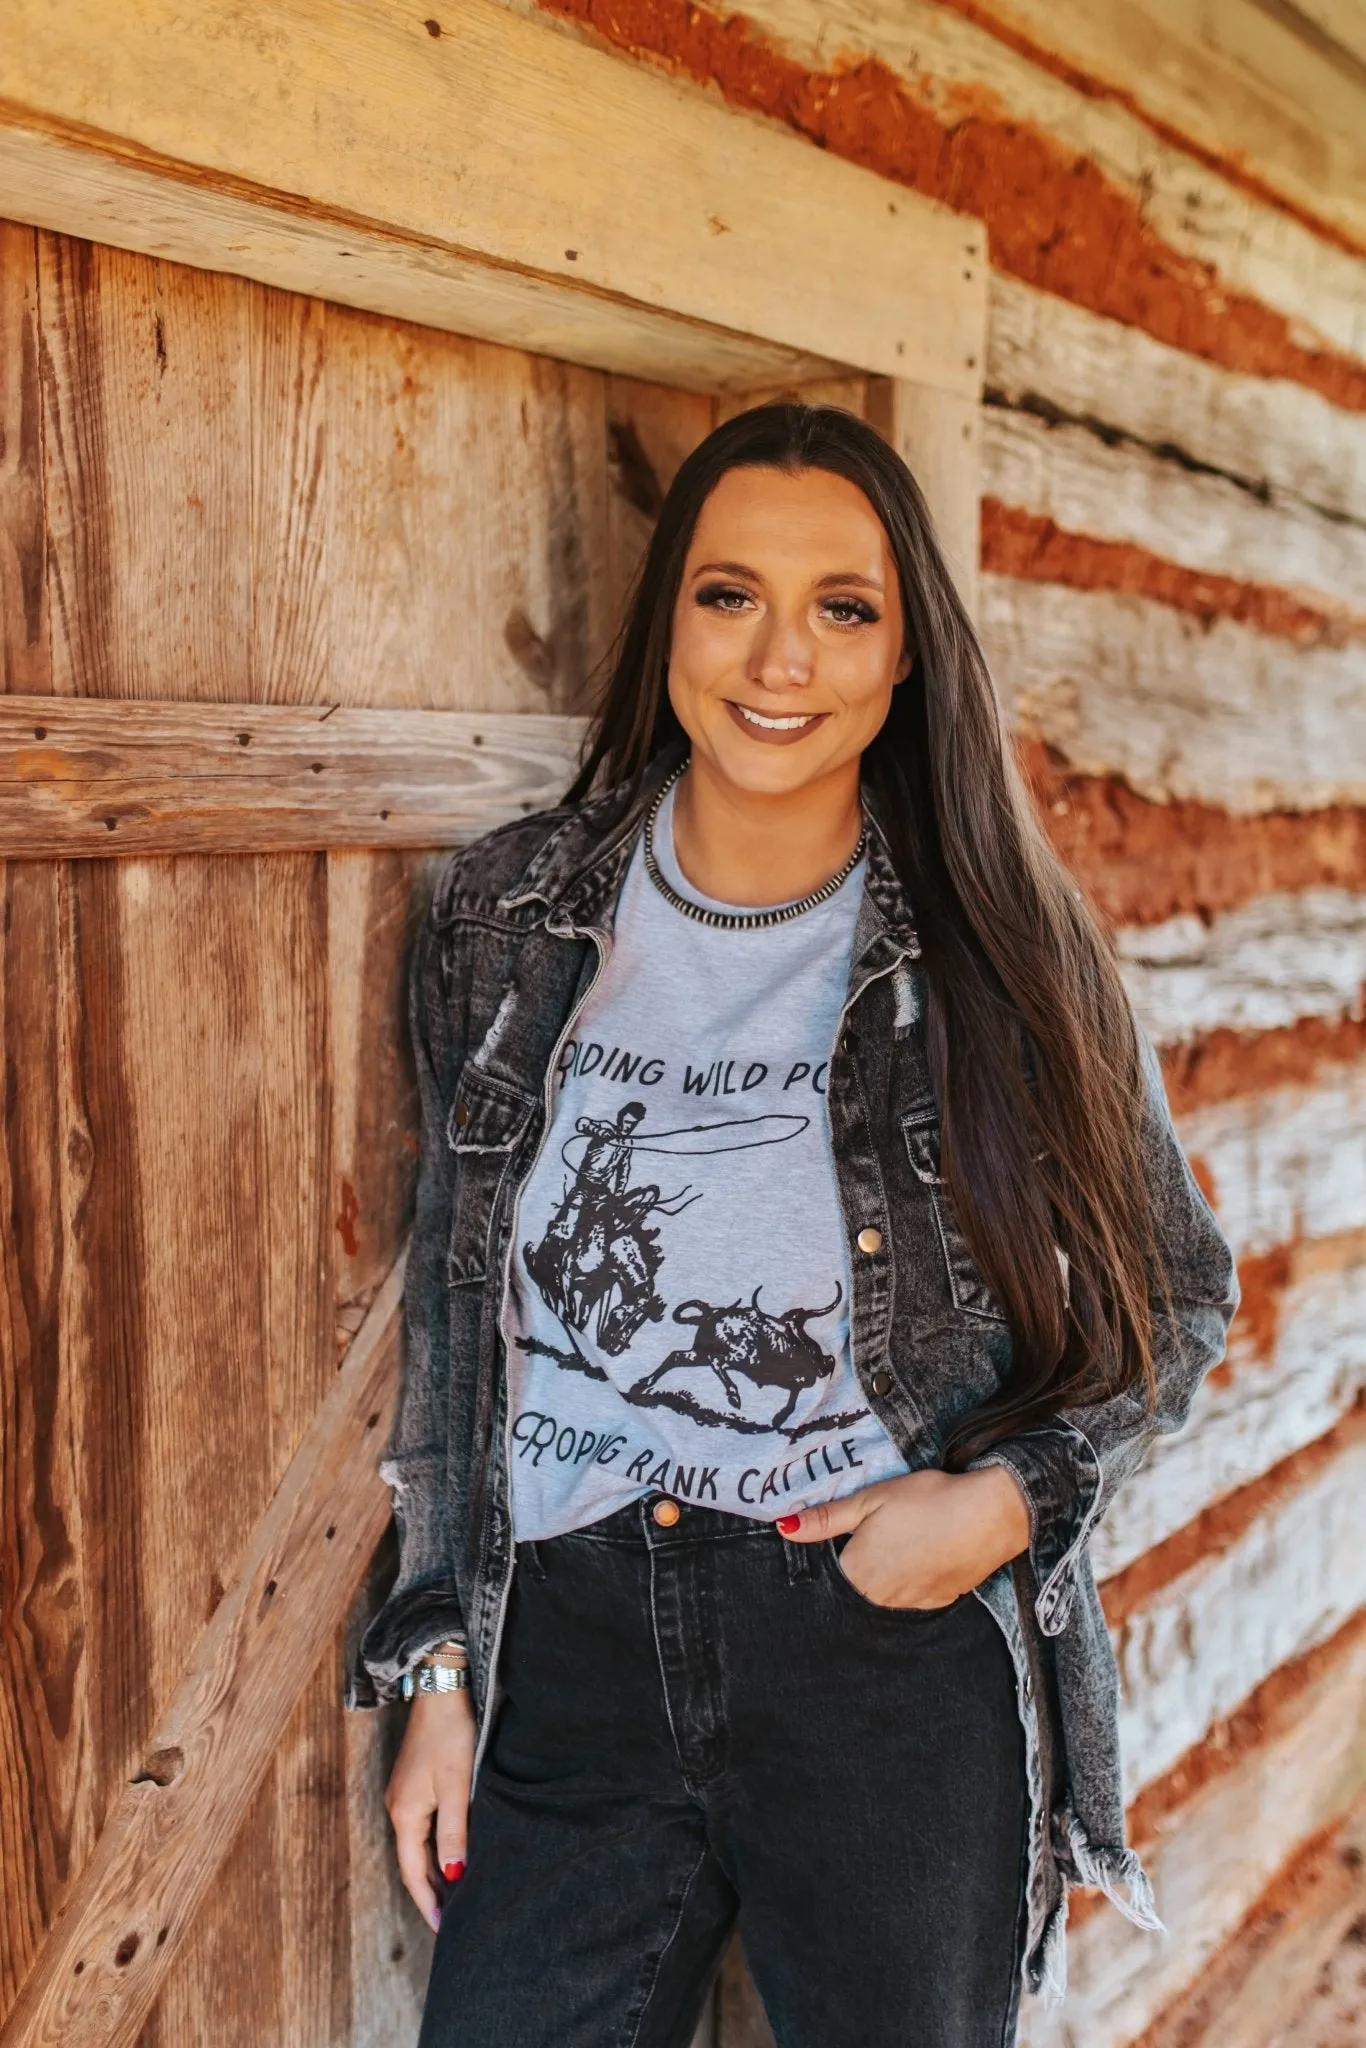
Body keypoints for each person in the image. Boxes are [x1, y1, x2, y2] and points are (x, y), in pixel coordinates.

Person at [351, 404, 1239, 2047]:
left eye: (843, 608)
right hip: (574, 1650)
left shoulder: (1000, 946)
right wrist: (435, 1670)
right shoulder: (503, 916)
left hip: (880, 1662)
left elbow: (1177, 1306)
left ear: (906, 656)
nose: (778, 658)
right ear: (666, 622)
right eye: (726, 595)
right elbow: (458, 1335)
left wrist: (1001, 1507)